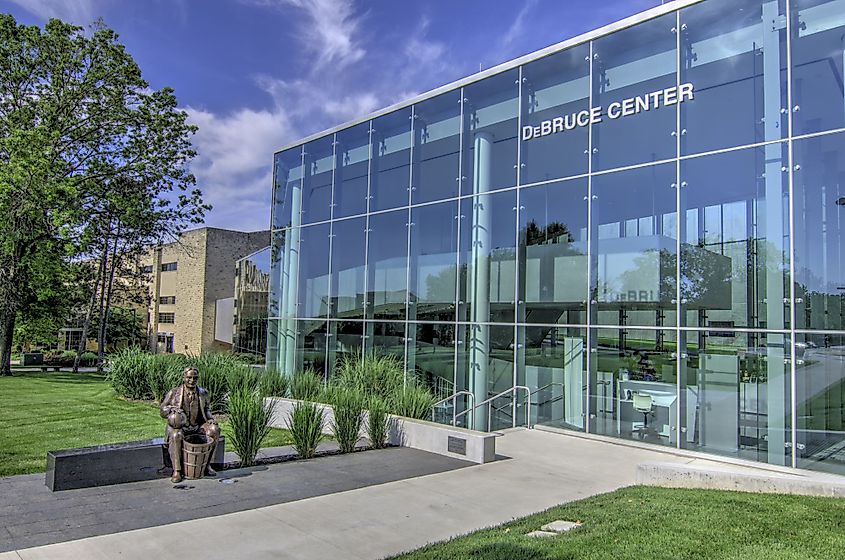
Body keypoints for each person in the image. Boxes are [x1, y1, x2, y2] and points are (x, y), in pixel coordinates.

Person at [160, 367, 220, 483]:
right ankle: (177, 470)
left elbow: (207, 409)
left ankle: (207, 465)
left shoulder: (203, 393)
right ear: (184, 378)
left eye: (195, 378)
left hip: (197, 426)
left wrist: (210, 419)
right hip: (180, 427)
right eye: (189, 377)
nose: (192, 380)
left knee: (214, 430)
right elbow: (162, 410)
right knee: (176, 435)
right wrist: (170, 410)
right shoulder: (174, 392)